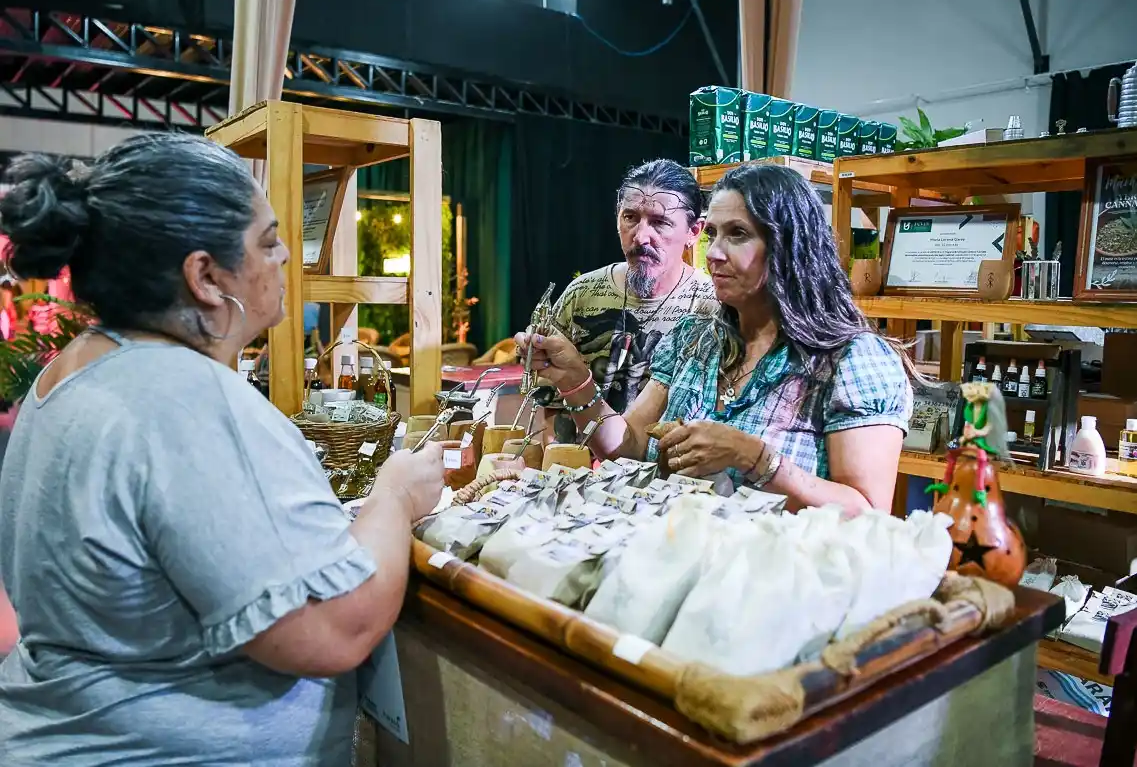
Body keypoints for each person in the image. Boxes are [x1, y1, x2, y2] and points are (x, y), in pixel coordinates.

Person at [0, 135, 444, 766]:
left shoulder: (74, 368)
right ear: (206, 277)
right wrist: (396, 498)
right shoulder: (179, 395)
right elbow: (332, 628)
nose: (285, 253)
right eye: (266, 241)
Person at [517, 163, 915, 513]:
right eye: (713, 234)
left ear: (790, 245)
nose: (715, 253)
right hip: (688, 566)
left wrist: (754, 458)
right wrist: (573, 379)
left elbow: (867, 513)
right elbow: (629, 444)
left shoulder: (851, 360)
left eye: (738, 234)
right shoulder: (695, 340)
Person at [547, 159, 718, 416]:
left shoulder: (712, 306)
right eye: (630, 217)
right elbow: (550, 405)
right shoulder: (581, 295)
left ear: (694, 232)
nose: (640, 236)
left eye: (660, 222)